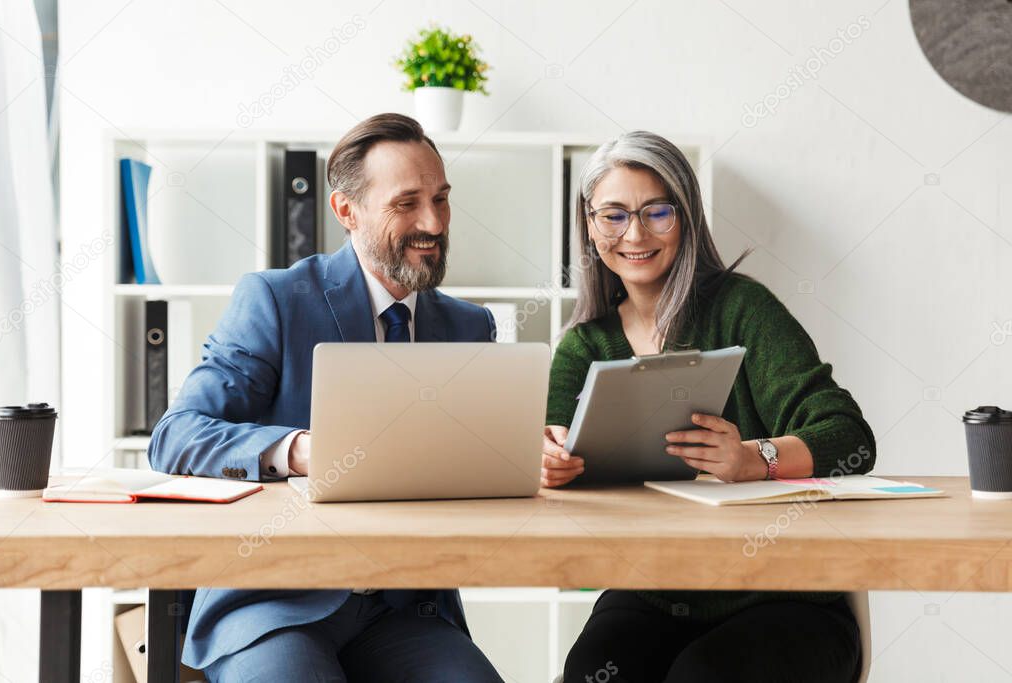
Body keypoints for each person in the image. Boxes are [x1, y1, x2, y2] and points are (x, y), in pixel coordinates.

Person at [149, 113, 503, 683]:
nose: (433, 222)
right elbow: (176, 434)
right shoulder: (277, 299)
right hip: (274, 603)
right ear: (346, 211)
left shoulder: (469, 327)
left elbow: (476, 464)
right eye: (406, 203)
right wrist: (298, 450)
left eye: (441, 199)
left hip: (406, 611)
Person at [542, 131, 872, 682]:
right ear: (590, 224)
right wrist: (546, 462)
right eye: (615, 215)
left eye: (657, 212)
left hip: (785, 596)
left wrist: (754, 458)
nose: (636, 234)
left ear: (687, 217)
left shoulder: (742, 309)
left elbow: (850, 438)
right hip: (654, 589)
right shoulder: (583, 345)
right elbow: (548, 447)